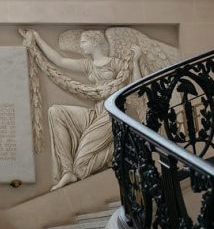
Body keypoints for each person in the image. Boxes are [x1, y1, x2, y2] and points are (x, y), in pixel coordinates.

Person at [25, 29, 140, 190]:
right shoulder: (88, 64)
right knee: (56, 111)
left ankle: (119, 147)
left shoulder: (115, 63)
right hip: (96, 113)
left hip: (112, 115)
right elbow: (59, 61)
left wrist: (134, 62)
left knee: (82, 167)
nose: (80, 45)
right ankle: (67, 171)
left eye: (83, 42)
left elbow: (137, 88)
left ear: (94, 42)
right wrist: (38, 39)